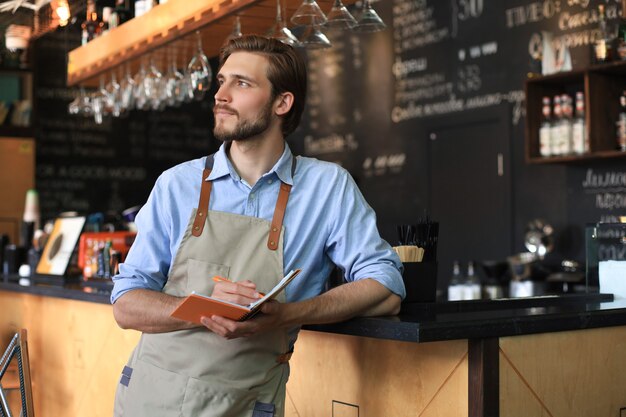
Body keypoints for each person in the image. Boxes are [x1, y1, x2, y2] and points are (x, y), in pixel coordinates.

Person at [111, 35, 405, 417]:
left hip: (249, 405)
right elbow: (126, 305)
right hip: (152, 401)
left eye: (242, 83)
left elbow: (386, 286)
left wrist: (288, 314)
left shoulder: (327, 187)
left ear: (283, 103)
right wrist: (205, 309)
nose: (221, 95)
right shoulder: (176, 184)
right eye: (222, 81)